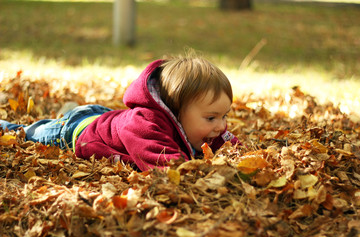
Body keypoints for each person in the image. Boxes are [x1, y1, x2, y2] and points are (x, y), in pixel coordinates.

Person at [0, 56, 239, 171]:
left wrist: (238, 155)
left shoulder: (206, 129)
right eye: (211, 118)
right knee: (29, 132)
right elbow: (165, 165)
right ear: (176, 112)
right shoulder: (144, 127)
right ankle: (9, 125)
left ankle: (70, 111)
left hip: (107, 117)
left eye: (224, 115)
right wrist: (202, 171)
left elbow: (228, 144)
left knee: (77, 116)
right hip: (77, 131)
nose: (221, 126)